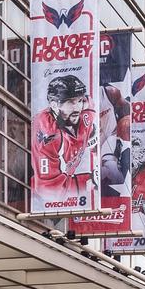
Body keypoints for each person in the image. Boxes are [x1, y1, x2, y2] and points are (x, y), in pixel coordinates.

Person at [32, 74, 97, 205]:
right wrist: (88, 181)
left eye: (79, 101)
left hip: (67, 177)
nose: (77, 108)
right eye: (70, 102)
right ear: (54, 105)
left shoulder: (86, 111)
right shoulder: (48, 135)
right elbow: (48, 191)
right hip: (40, 203)